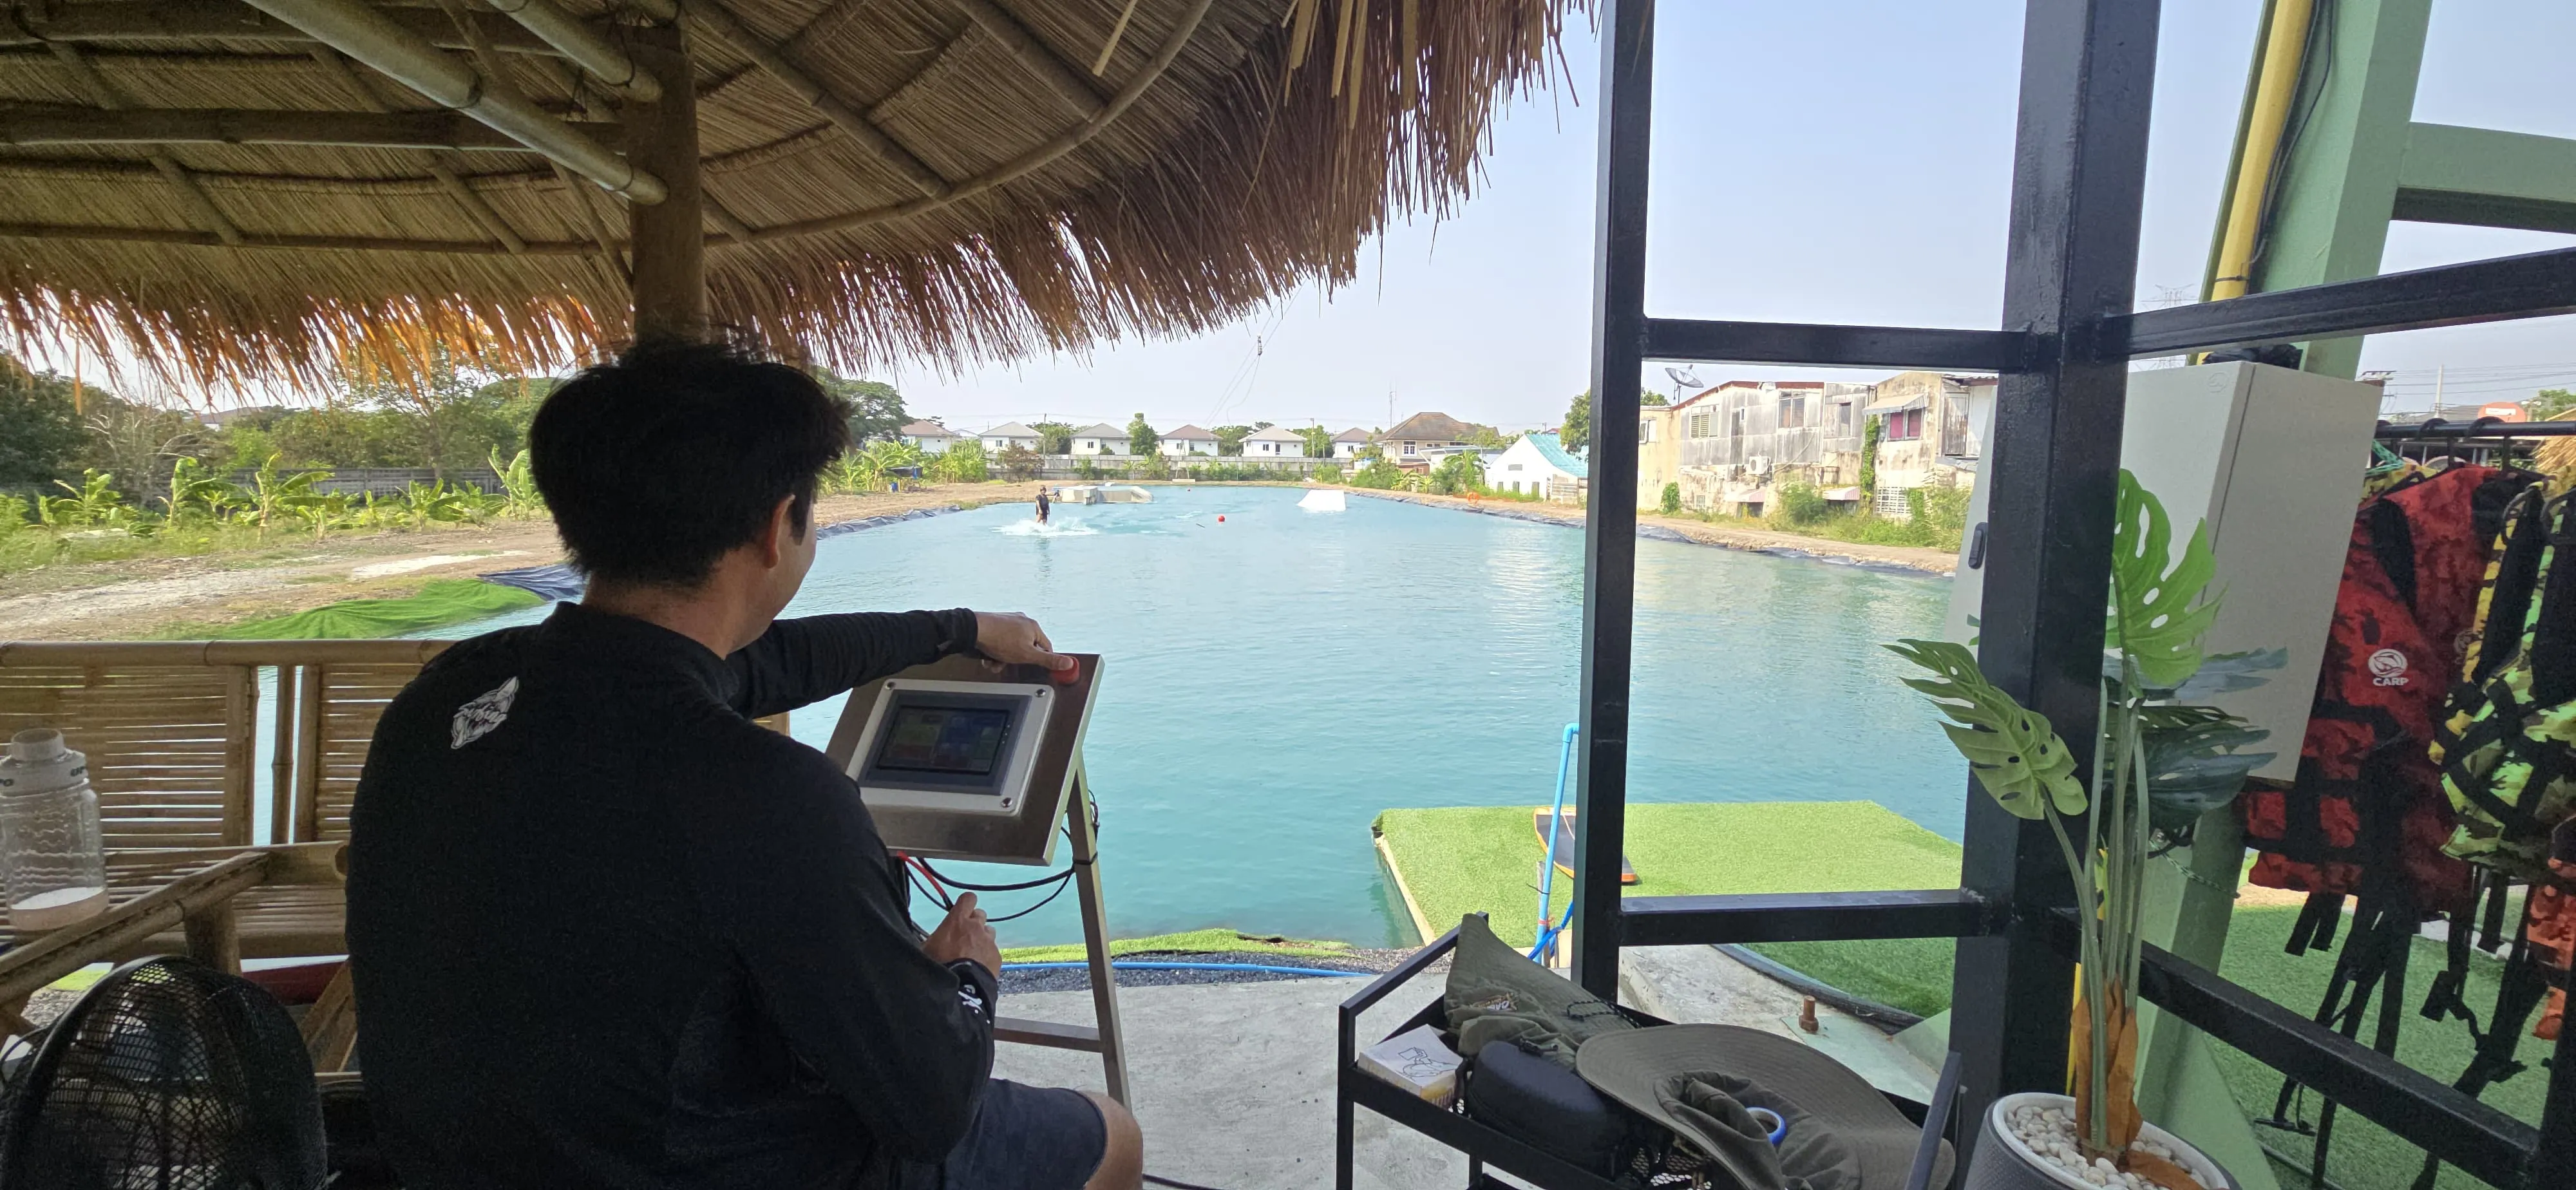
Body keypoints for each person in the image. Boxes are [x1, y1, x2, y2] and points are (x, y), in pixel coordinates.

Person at [346, 338, 1144, 1190]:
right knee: (1111, 1133)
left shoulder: (449, 698)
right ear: (778, 527)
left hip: (456, 1160)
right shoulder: (770, 794)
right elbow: (932, 1108)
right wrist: (964, 980)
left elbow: (761, 662)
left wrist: (959, 628)